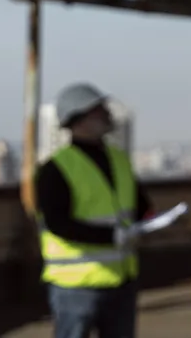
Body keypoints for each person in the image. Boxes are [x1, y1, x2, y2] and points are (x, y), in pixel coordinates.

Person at [35, 83, 153, 338]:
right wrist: (112, 236)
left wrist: (150, 220)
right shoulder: (55, 169)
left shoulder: (118, 159)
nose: (107, 114)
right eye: (98, 110)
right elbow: (57, 224)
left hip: (121, 279)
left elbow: (140, 204)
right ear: (77, 119)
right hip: (76, 286)